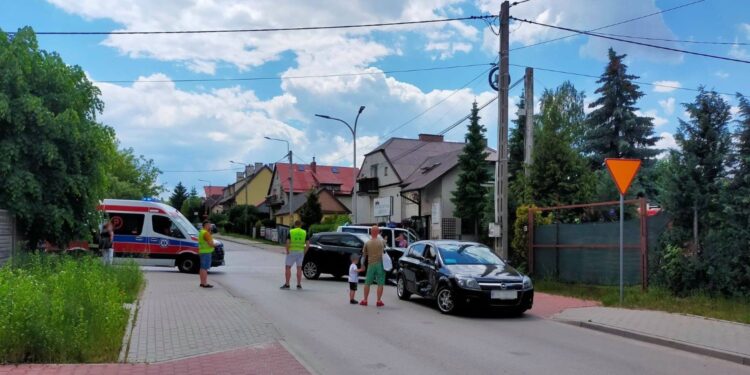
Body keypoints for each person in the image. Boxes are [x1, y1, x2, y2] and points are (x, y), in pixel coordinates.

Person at [360, 225, 386, 307]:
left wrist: (362, 265)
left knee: (367, 283)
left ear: (370, 232)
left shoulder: (367, 243)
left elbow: (364, 256)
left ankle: (365, 300)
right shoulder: (381, 242)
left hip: (371, 264)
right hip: (380, 264)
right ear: (378, 232)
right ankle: (378, 301)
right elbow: (385, 250)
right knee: (380, 283)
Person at [282, 220, 308, 290]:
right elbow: (308, 244)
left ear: (295, 225)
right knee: (299, 268)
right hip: (300, 252)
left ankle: (287, 284)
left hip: (292, 251)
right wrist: (304, 252)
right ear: (301, 225)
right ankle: (299, 285)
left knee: (288, 267)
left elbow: (287, 242)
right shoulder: (304, 232)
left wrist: (287, 250)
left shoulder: (291, 232)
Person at [198, 220, 216, 288]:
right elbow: (210, 244)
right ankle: (205, 283)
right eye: (209, 225)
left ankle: (202, 283)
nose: (210, 226)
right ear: (206, 225)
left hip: (202, 251)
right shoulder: (206, 233)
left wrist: (209, 231)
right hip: (206, 252)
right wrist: (215, 245)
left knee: (202, 268)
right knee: (205, 268)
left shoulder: (201, 232)